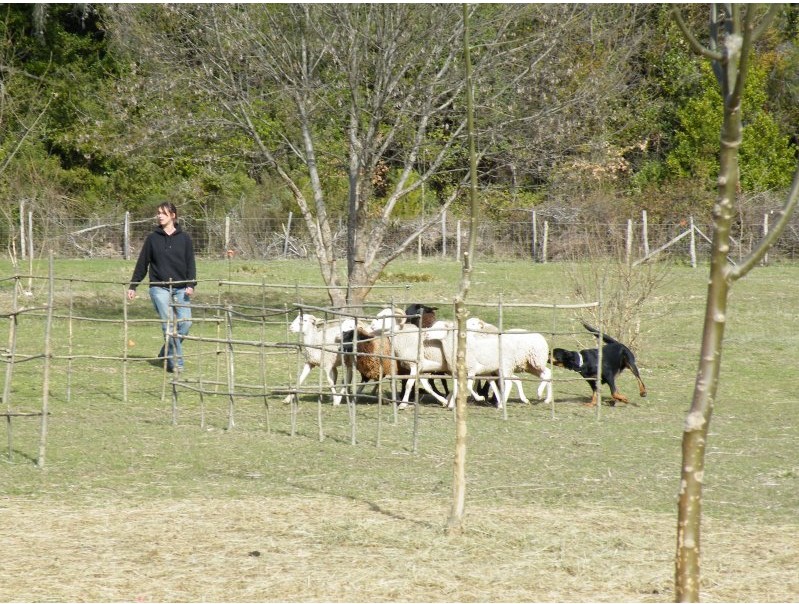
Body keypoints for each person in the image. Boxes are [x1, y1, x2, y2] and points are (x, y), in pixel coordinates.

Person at [127, 202, 196, 373]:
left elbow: (190, 263)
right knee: (169, 325)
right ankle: (176, 363)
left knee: (186, 323)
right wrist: (133, 285)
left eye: (163, 213)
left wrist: (191, 284)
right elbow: (142, 263)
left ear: (173, 215)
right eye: (158, 213)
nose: (159, 216)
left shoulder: (185, 238)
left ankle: (167, 350)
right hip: (159, 287)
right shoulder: (152, 239)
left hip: (180, 288)